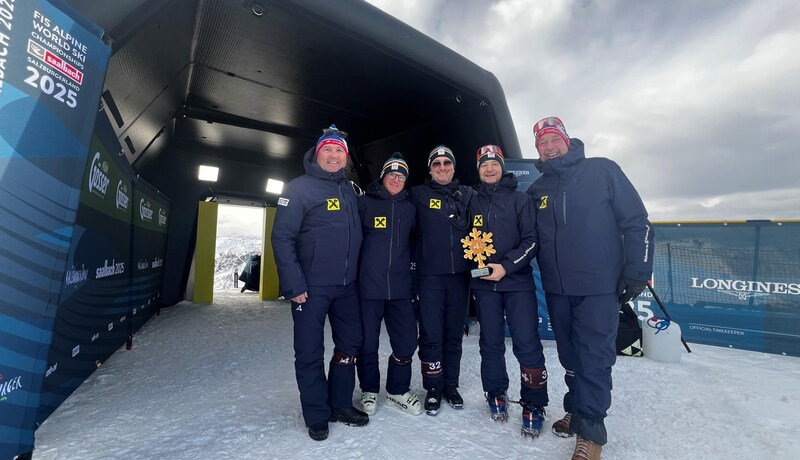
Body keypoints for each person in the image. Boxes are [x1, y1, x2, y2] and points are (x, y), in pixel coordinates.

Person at [526, 117, 654, 459]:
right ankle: (577, 409)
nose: (550, 147)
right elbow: (526, 238)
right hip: (557, 289)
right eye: (543, 143)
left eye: (555, 140)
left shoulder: (603, 171)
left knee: (594, 357)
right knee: (569, 356)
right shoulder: (537, 189)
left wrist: (638, 271)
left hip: (598, 287)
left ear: (568, 141)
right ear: (536, 149)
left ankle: (591, 433)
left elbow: (637, 222)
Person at [271, 124, 368, 441]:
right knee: (309, 351)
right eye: (328, 149)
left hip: (347, 287)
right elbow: (282, 238)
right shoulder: (298, 188)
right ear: (316, 153)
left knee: (350, 344)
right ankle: (317, 414)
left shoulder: (351, 190)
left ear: (346, 157)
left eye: (339, 150)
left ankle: (340, 404)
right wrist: (294, 284)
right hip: (310, 289)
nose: (334, 154)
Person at [468, 144, 548, 437]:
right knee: (490, 342)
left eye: (494, 164)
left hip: (517, 283)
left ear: (503, 167)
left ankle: (534, 402)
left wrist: (506, 266)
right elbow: (465, 240)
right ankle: (495, 392)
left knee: (526, 343)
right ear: (478, 170)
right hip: (484, 285)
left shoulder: (520, 200)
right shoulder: (472, 200)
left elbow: (531, 241)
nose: (489, 169)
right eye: (484, 165)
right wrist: (475, 268)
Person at [355, 153, 422, 417]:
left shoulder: (411, 207)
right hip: (368, 289)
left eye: (401, 176)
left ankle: (397, 390)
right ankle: (369, 390)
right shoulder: (364, 203)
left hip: (401, 289)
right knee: (367, 343)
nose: (396, 179)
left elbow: (417, 243)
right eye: (391, 175)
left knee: (406, 343)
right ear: (382, 177)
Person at [410, 145, 474, 415]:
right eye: (437, 164)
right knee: (431, 334)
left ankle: (451, 384)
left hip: (459, 277)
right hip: (430, 277)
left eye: (447, 163)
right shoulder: (417, 195)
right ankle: (433, 387)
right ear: (430, 169)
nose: (442, 168)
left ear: (454, 167)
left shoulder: (469, 194)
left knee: (453, 335)